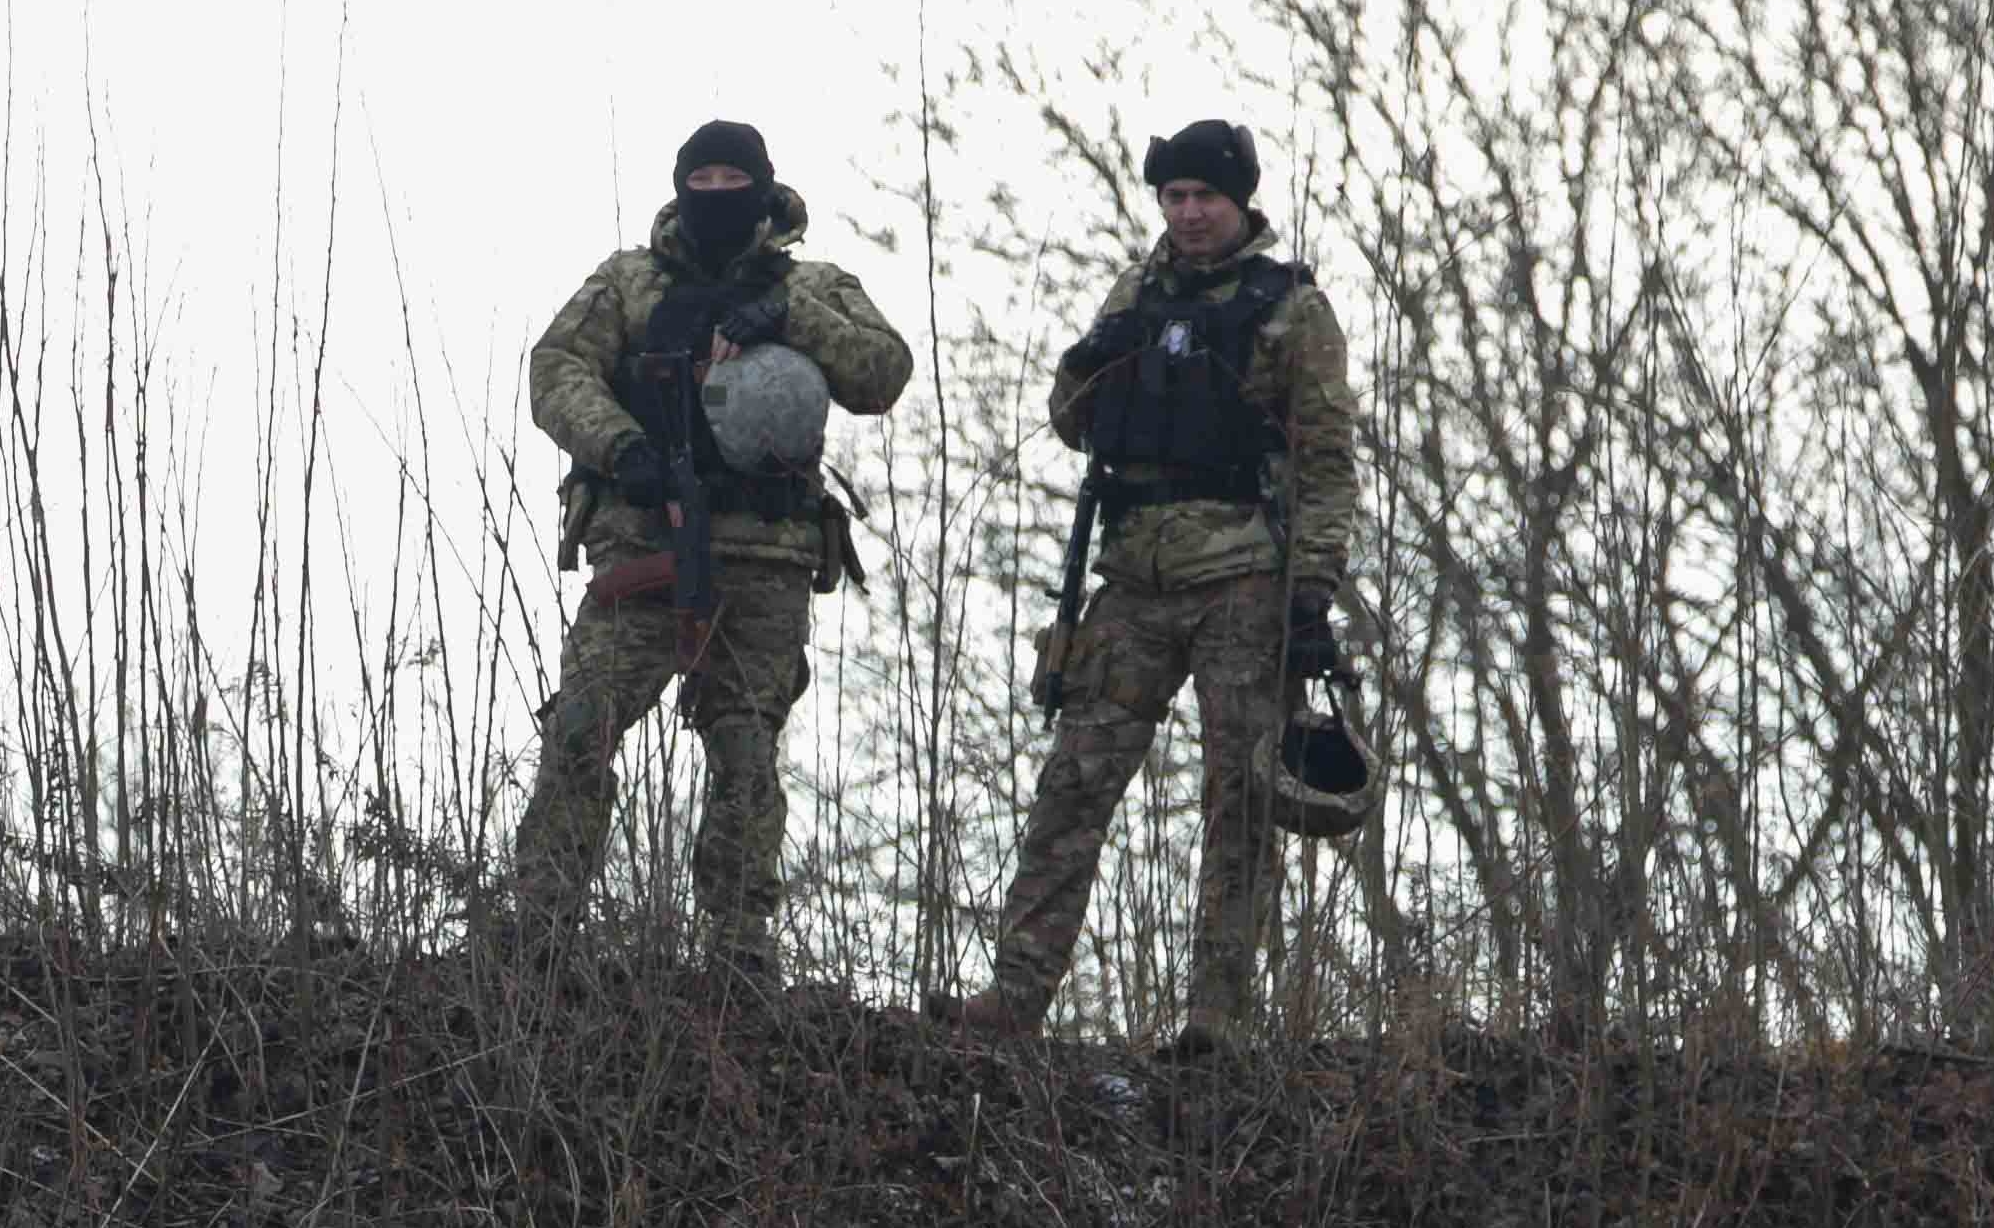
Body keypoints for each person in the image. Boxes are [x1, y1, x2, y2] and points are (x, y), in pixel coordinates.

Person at [940, 118, 1359, 1049]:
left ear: (1239, 200)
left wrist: (1311, 590)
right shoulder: (1135, 293)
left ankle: (1217, 1014)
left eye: (1206, 195)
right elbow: (1073, 420)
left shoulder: (1291, 307)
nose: (1190, 211)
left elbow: (1328, 460)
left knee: (1241, 797)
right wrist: (1096, 358)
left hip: (1243, 577)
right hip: (1131, 576)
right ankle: (1015, 995)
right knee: (1073, 783)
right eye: (1175, 196)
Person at [498, 118, 915, 981]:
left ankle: (737, 948)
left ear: (763, 189)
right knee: (581, 724)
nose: (718, 194)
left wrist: (790, 316)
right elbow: (556, 370)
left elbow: (883, 372)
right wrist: (622, 448)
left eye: (734, 180)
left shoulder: (815, 285)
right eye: (703, 180)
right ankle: (540, 923)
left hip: (766, 554)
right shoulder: (628, 281)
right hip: (640, 542)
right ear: (680, 187)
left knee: (746, 749)